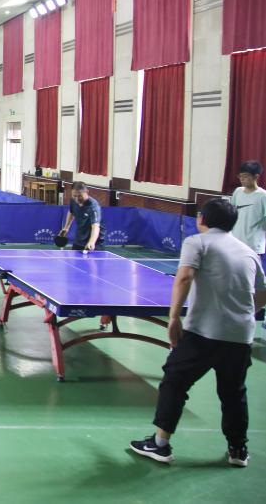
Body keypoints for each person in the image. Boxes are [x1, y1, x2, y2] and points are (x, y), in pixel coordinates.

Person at [129, 198, 266, 467]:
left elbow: (184, 277)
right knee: (233, 392)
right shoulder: (247, 251)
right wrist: (242, 314)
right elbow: (262, 292)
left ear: (202, 219)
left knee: (174, 381)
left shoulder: (197, 242)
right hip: (240, 336)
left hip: (204, 333)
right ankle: (238, 450)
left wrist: (173, 318)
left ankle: (160, 445)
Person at [231, 160, 266, 272]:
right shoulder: (238, 191)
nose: (242, 179)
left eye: (245, 176)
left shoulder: (263, 196)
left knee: (251, 275)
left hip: (253, 245)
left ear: (256, 176)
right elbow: (231, 213)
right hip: (235, 241)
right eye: (240, 176)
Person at [60, 182, 101, 251]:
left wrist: (92, 241)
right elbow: (71, 212)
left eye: (79, 196)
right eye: (74, 196)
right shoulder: (73, 200)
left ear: (87, 192)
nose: (77, 199)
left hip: (95, 241)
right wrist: (66, 227)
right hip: (79, 239)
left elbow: (95, 226)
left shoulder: (93, 206)